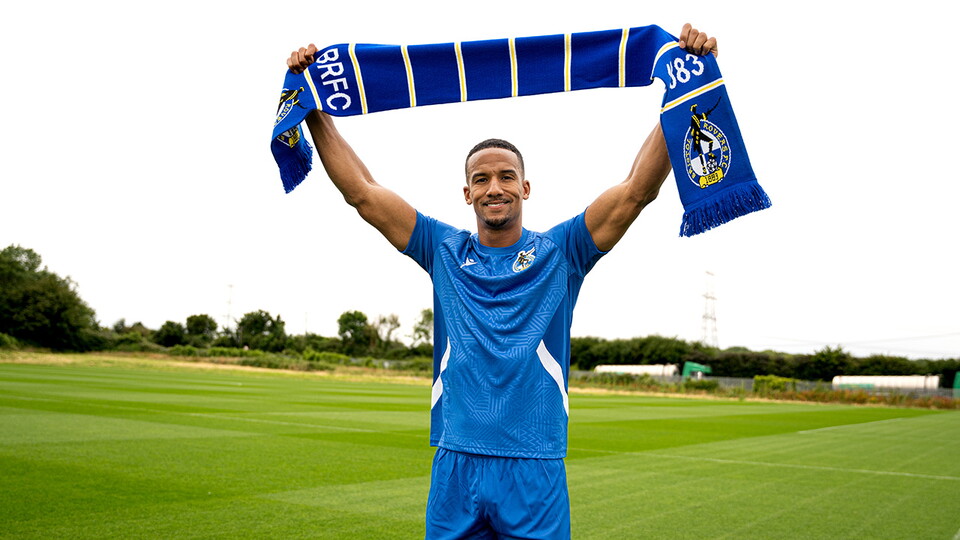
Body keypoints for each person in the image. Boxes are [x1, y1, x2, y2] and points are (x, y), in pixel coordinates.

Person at [287, 23, 718, 540]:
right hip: (455, 463)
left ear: (526, 187)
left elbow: (633, 192)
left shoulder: (562, 252)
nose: (495, 187)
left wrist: (684, 84)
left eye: (506, 176)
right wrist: (313, 108)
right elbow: (362, 192)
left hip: (533, 465)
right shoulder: (441, 250)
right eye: (481, 179)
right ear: (466, 193)